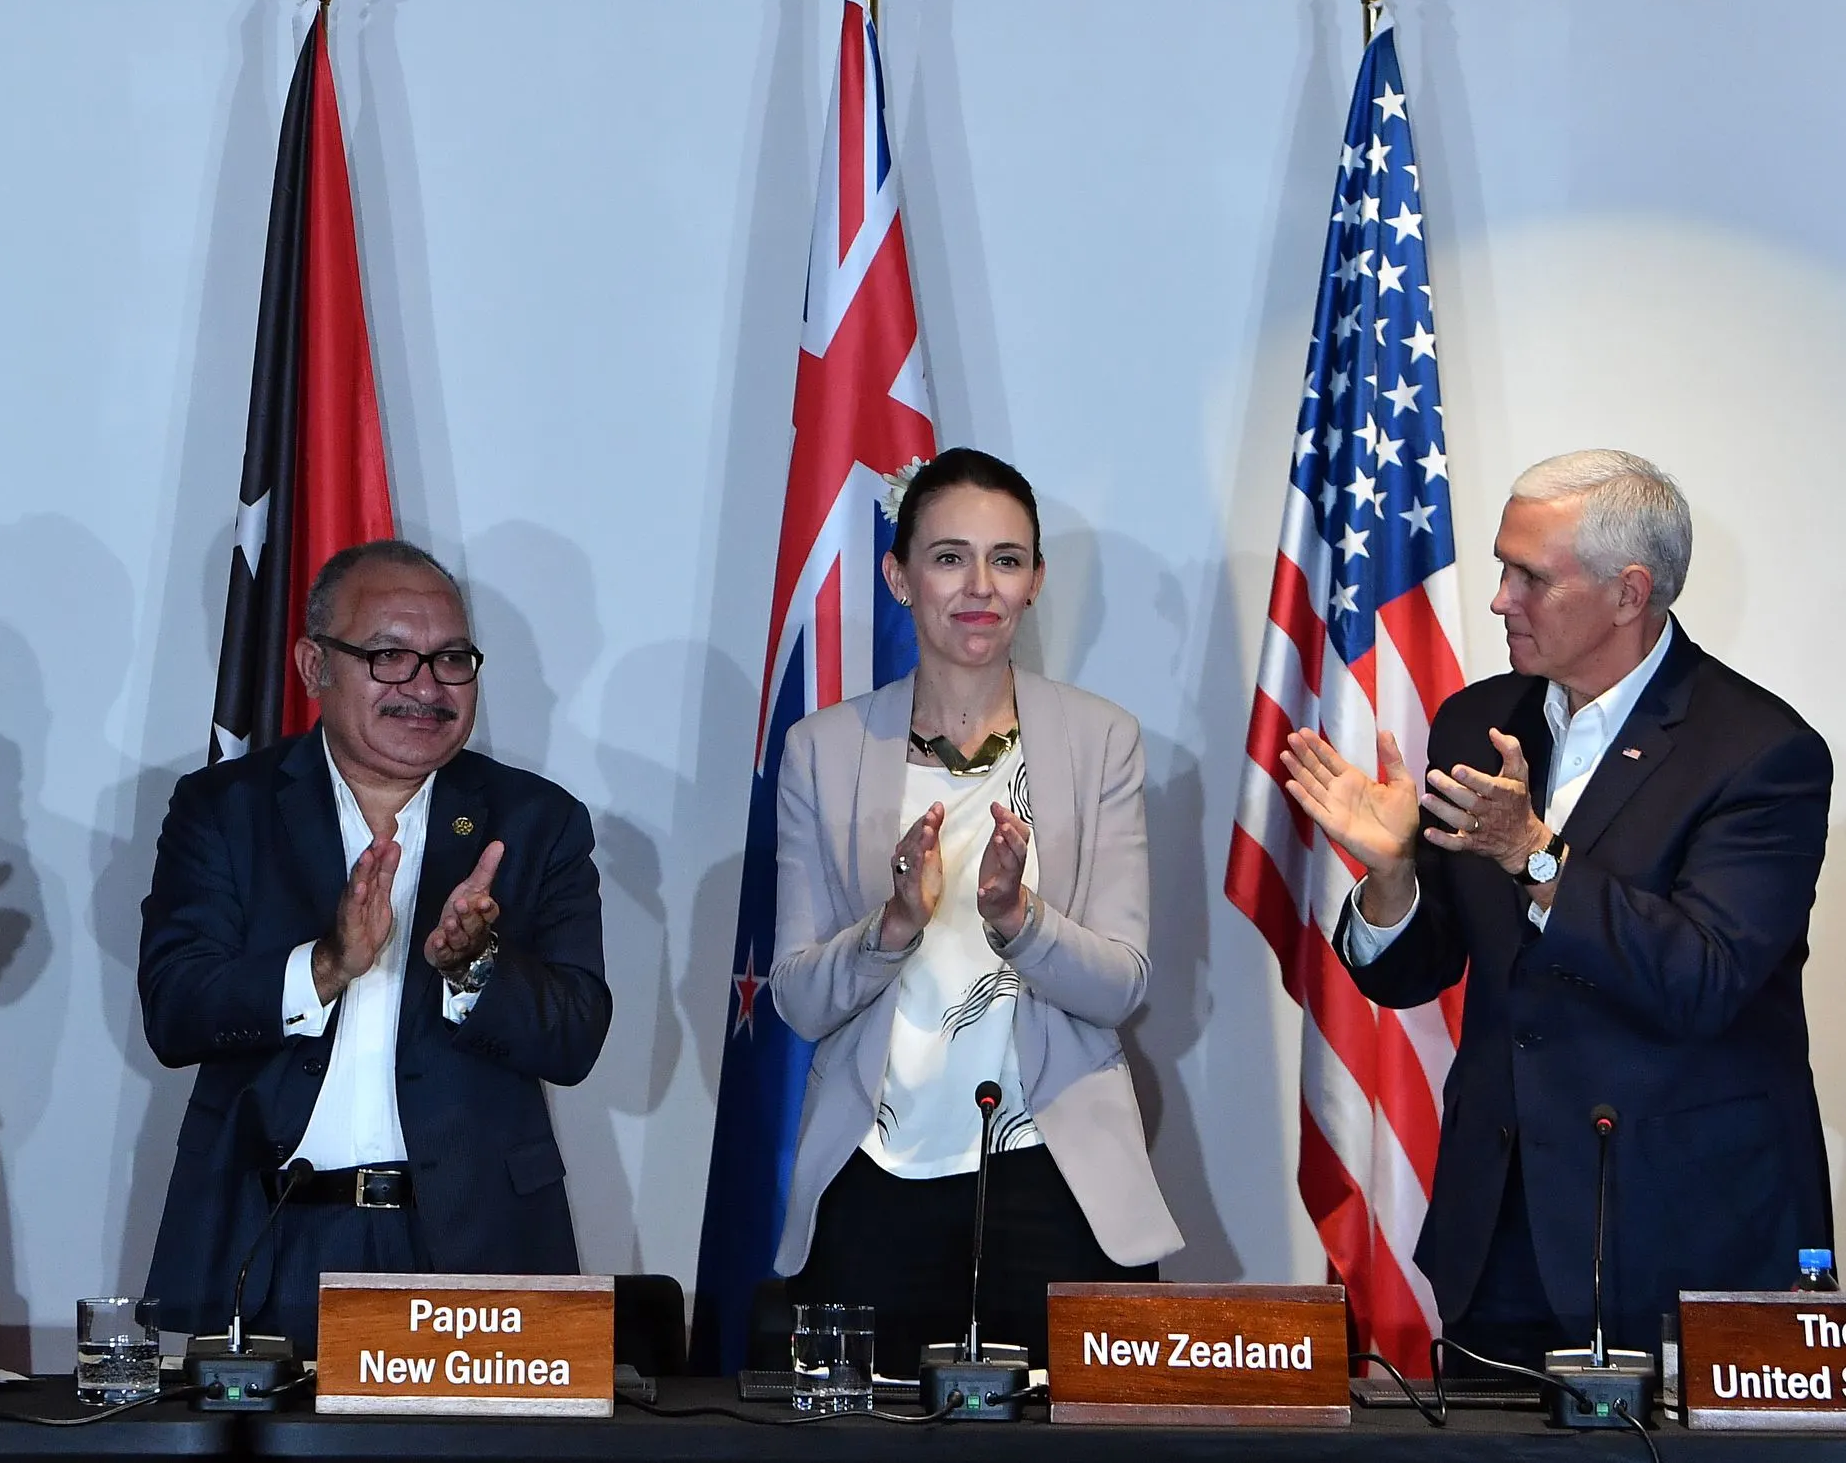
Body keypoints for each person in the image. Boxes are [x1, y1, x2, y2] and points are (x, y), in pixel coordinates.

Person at [1285, 450, 1832, 1371]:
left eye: (1529, 575)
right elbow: (1424, 968)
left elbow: (1704, 978)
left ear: (1629, 592)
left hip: (1683, 1241)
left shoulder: (1762, 751)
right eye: (1502, 566)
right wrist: (1389, 876)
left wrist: (1537, 857)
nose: (1500, 598)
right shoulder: (1474, 722)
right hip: (1498, 1234)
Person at [140, 539, 610, 1355]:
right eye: (390, 656)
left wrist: (476, 964)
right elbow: (176, 1009)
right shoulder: (225, 809)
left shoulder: (536, 821)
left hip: (471, 1246)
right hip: (271, 1234)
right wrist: (325, 965)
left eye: (451, 659)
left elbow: (575, 1035)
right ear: (313, 664)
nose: (426, 686)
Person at [770, 448, 1181, 1371]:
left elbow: (1121, 983)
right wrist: (892, 930)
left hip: (1055, 1171)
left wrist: (1016, 916)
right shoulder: (823, 749)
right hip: (876, 1176)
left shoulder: (1099, 738)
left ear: (1035, 580)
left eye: (1006, 559)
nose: (979, 587)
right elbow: (798, 998)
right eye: (950, 557)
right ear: (899, 574)